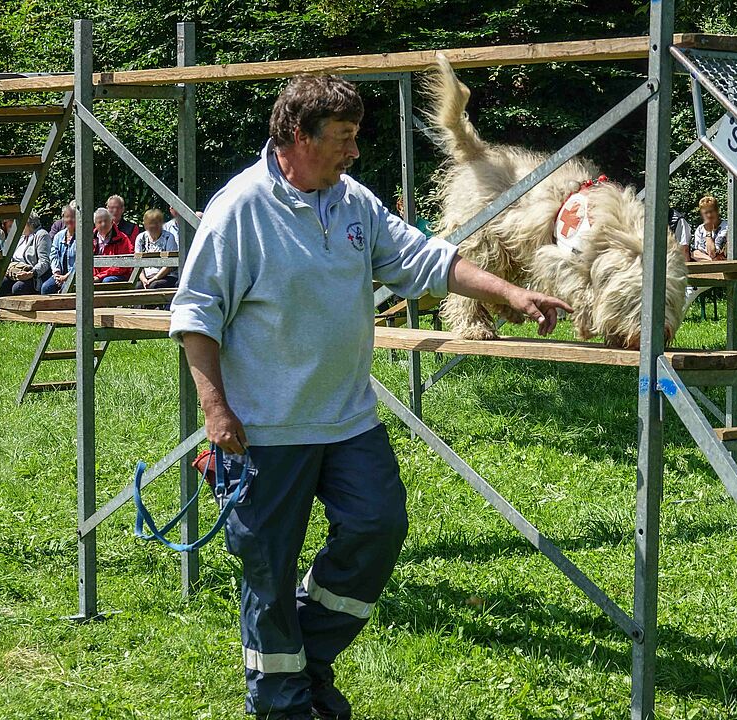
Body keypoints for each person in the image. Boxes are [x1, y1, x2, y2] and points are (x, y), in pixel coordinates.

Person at [170, 74, 570, 720]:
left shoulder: (352, 202)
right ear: (298, 137)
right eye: (345, 139)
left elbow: (425, 260)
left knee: (377, 527)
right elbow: (195, 317)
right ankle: (281, 702)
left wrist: (509, 293)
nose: (355, 151)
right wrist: (216, 410)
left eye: (357, 137)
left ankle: (306, 660)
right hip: (265, 430)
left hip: (348, 421)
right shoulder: (239, 209)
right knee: (267, 572)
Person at [1, 212, 51, 295]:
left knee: (18, 287)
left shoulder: (42, 235)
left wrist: (31, 273)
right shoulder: (21, 237)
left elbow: (44, 261)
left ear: (30, 223)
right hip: (15, 272)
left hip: (33, 276)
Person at [134, 208, 178, 289]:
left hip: (166, 276)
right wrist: (144, 279)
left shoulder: (169, 237)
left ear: (161, 223)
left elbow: (169, 265)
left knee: (154, 285)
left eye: (156, 223)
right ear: (145, 225)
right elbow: (137, 263)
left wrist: (154, 278)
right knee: (137, 287)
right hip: (146, 277)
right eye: (151, 223)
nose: (153, 226)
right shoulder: (141, 238)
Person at [41, 205, 77, 294]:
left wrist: (67, 277)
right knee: (46, 288)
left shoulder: (82, 236)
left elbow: (81, 261)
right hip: (59, 275)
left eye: (73, 217)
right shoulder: (58, 236)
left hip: (75, 276)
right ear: (63, 219)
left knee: (66, 289)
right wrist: (57, 273)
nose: (70, 220)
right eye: (67, 217)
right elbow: (53, 255)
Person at [92, 207, 134, 283]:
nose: (103, 224)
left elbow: (123, 265)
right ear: (95, 224)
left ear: (112, 222)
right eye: (100, 222)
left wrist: (100, 276)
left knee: (107, 281)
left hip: (118, 274)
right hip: (96, 276)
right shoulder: (89, 239)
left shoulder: (122, 238)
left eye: (106, 221)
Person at [689, 195, 728, 262]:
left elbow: (712, 253)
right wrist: (712, 260)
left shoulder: (727, 227)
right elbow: (695, 254)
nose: (709, 215)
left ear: (717, 211)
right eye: (706, 213)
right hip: (703, 268)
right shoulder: (700, 229)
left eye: (711, 211)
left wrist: (708, 233)